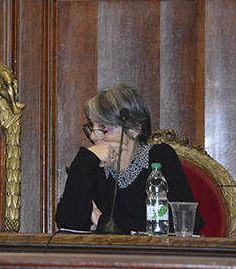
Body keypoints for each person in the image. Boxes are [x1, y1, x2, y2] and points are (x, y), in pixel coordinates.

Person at [55, 84, 204, 234]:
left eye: (102, 128)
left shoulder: (160, 158)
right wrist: (84, 160)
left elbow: (185, 224)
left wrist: (102, 221)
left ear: (133, 130)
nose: (93, 136)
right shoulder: (92, 165)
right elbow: (68, 224)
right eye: (92, 127)